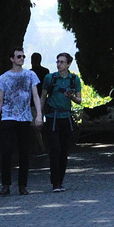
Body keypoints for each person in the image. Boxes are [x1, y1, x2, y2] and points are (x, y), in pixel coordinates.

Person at [0, 47, 43, 195]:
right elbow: (0, 100)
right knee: (6, 151)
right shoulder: (4, 77)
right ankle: (5, 184)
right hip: (8, 117)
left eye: (23, 56)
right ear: (12, 59)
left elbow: (35, 96)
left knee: (24, 152)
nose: (21, 59)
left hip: (24, 118)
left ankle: (23, 185)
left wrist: (39, 114)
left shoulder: (30, 75)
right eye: (19, 56)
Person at [42, 53, 82, 191]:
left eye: (62, 62)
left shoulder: (74, 79)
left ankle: (61, 180)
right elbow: (43, 96)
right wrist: (39, 116)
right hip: (52, 117)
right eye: (58, 61)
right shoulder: (50, 78)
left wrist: (71, 97)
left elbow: (79, 100)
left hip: (66, 117)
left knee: (64, 150)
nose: (59, 64)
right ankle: (55, 183)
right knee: (55, 149)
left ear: (68, 64)